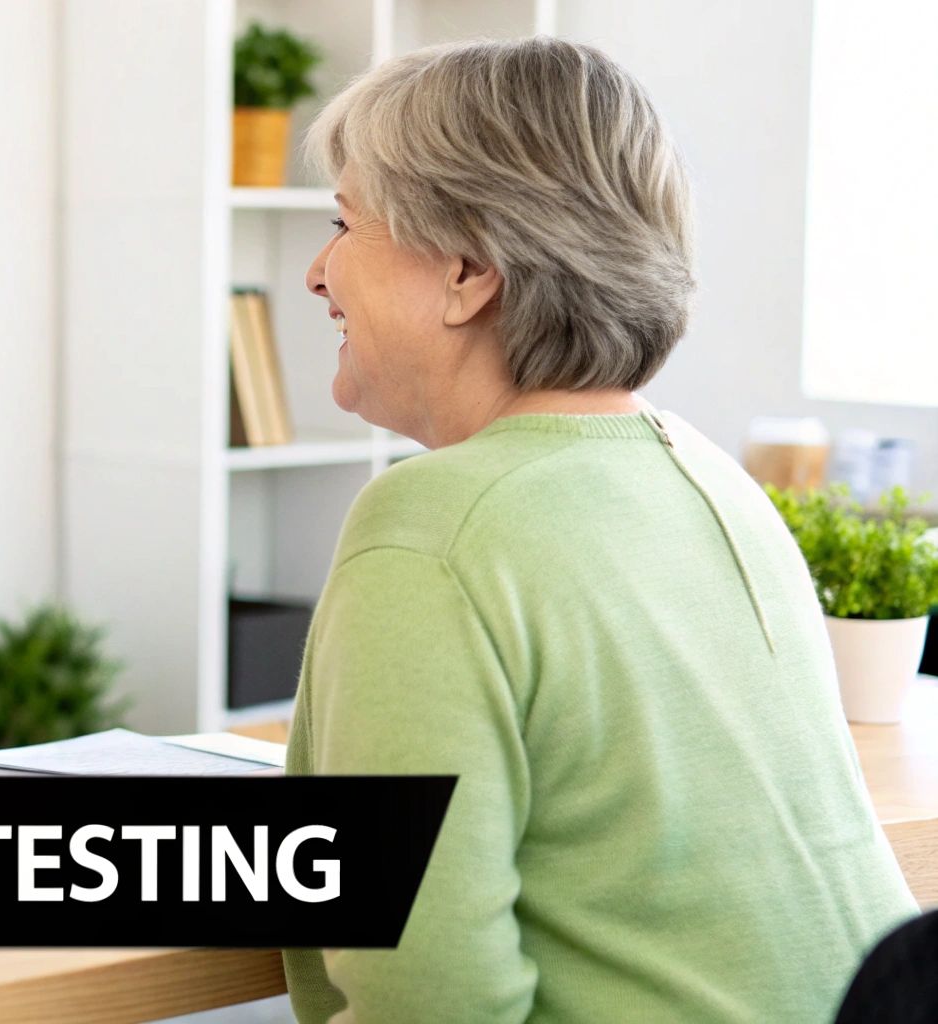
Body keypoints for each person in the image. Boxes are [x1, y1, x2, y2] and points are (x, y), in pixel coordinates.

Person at [283, 37, 916, 1023]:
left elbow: (430, 1003)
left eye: (342, 224)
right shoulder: (707, 475)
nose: (316, 273)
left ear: (466, 268)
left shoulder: (433, 527)